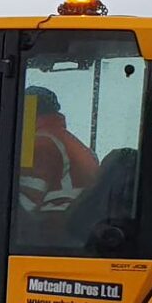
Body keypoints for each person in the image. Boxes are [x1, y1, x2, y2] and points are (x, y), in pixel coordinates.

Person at [18, 86, 103, 219]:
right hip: (75, 226)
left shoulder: (42, 143)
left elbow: (23, 203)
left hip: (55, 229)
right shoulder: (63, 139)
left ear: (27, 112)